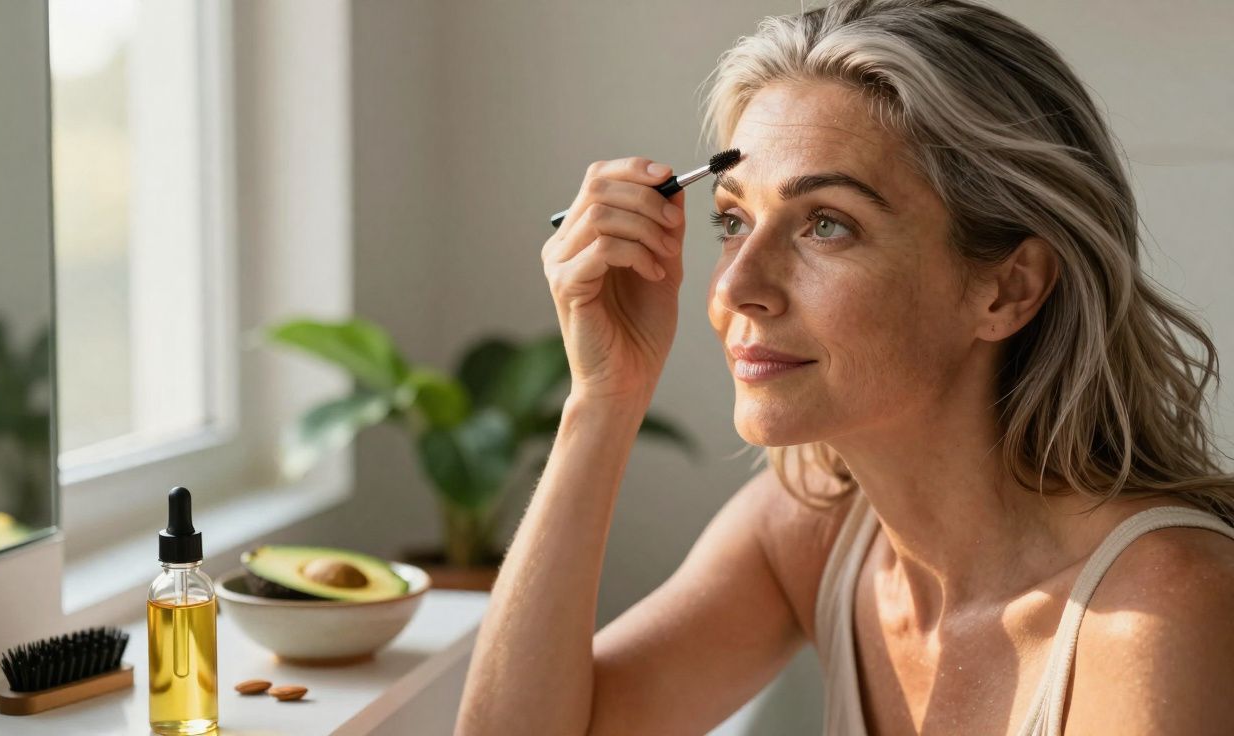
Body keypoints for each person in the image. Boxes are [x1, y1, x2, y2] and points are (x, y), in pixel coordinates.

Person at [455, 1, 1234, 733]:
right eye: (733, 220)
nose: (736, 288)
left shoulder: (1158, 610)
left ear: (1008, 287)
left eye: (826, 225)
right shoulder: (816, 531)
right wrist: (603, 398)